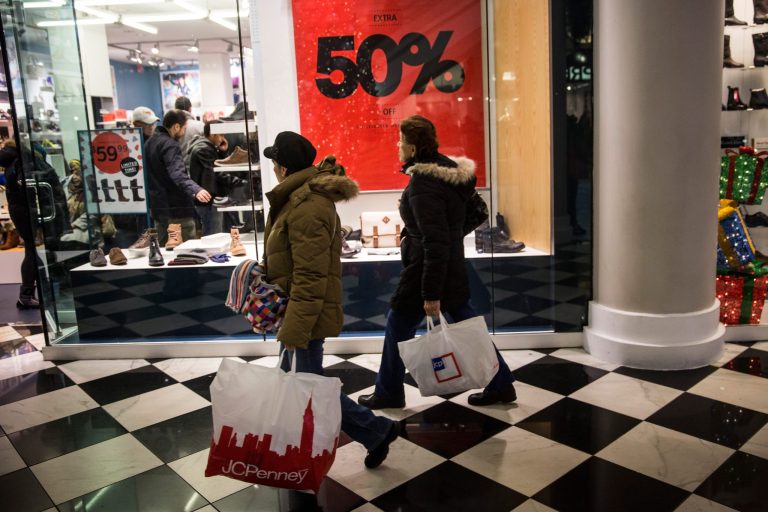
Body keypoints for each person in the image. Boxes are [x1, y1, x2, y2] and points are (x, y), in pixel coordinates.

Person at [358, 115, 517, 409]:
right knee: (467, 325)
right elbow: (473, 214)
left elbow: (435, 241)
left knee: (397, 324)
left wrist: (430, 293)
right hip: (449, 266)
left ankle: (389, 391)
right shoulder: (449, 174)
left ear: (414, 149)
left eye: (401, 142)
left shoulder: (424, 186)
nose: (398, 146)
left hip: (425, 272)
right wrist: (451, 236)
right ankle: (501, 383)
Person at [262, 131, 399, 469]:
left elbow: (311, 276)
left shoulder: (306, 205)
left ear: (281, 167)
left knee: (309, 388)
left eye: (274, 163)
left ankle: (375, 430)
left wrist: (295, 329)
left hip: (304, 315)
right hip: (298, 311)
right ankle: (360, 435)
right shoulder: (298, 198)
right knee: (305, 385)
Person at [144, 109, 210, 245]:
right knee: (188, 253)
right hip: (177, 209)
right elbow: (178, 174)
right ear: (176, 127)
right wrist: (196, 189)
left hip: (158, 208)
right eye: (184, 128)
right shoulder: (170, 145)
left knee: (163, 251)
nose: (184, 132)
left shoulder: (149, 143)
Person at [0, 139, 41, 308]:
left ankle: (33, 291)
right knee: (31, 250)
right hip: (24, 208)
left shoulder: (11, 162)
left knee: (32, 251)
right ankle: (26, 295)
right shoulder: (20, 161)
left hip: (18, 208)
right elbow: (25, 184)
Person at [185, 120, 228, 235]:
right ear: (214, 134)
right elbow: (216, 172)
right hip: (209, 199)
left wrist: (222, 151)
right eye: (222, 135)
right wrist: (239, 182)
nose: (223, 139)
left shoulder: (206, 147)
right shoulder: (204, 149)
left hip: (208, 198)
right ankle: (213, 254)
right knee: (213, 234)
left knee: (213, 232)